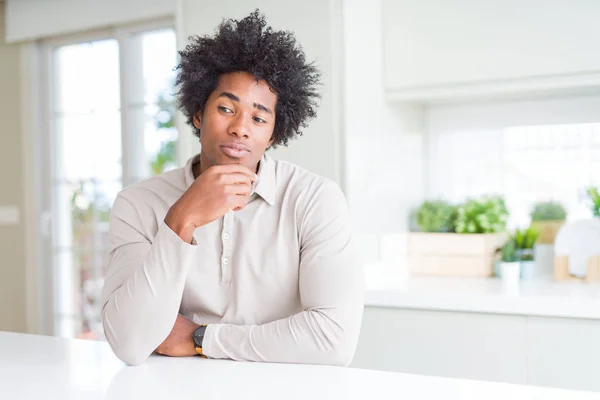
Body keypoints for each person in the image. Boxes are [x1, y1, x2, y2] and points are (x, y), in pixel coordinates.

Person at [100, 10, 364, 367]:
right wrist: (181, 221)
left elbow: (333, 340)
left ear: (273, 134)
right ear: (198, 114)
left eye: (258, 118)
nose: (241, 128)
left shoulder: (314, 199)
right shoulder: (138, 203)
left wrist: (201, 338)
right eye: (226, 108)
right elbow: (129, 343)